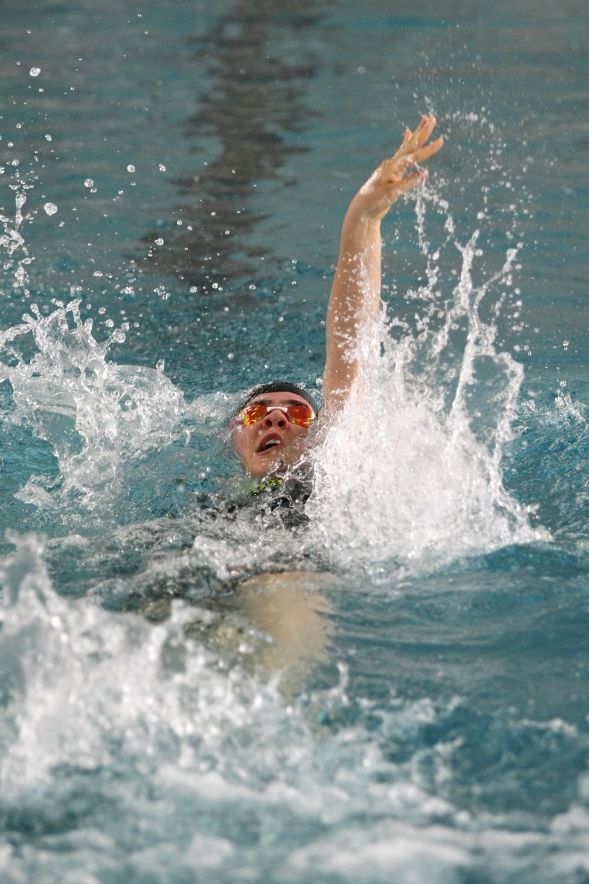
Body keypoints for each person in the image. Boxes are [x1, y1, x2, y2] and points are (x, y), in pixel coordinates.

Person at [230, 114, 444, 479]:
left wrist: (363, 219)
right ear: (232, 437)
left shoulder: (331, 487)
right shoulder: (202, 517)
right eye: (255, 413)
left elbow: (348, 346)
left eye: (299, 414)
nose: (276, 418)